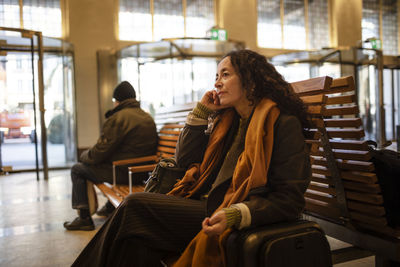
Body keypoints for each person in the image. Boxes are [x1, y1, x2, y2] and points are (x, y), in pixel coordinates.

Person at [72, 49, 311, 266]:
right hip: (203, 203)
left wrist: (237, 213)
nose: (217, 83)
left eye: (225, 75)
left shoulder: (281, 124)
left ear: (250, 80)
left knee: (135, 206)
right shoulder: (228, 121)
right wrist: (201, 113)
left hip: (221, 211)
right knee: (133, 239)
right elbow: (185, 160)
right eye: (216, 76)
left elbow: (289, 199)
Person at [64, 81, 158, 231]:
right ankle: (109, 207)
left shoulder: (119, 118)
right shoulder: (147, 117)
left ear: (117, 100)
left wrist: (84, 156)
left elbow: (100, 152)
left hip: (123, 173)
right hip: (141, 173)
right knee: (98, 164)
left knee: (78, 169)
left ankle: (84, 218)